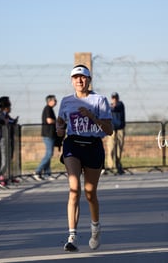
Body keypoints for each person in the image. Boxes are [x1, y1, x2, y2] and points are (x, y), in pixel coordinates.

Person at [56, 65, 113, 252]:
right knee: (74, 189)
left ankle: (95, 228)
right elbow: (61, 127)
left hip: (93, 146)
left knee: (90, 194)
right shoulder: (66, 102)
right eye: (75, 78)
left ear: (89, 80)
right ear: (71, 81)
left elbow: (109, 130)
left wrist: (91, 116)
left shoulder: (99, 100)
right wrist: (59, 129)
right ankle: (72, 236)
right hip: (72, 145)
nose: (79, 81)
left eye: (83, 77)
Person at [33, 95, 57, 181]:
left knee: (49, 154)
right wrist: (57, 121)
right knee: (49, 154)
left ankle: (47, 174)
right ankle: (37, 171)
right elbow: (49, 120)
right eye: (54, 100)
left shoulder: (50, 109)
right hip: (48, 134)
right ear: (49, 101)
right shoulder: (47, 108)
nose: (56, 101)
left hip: (51, 134)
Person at [0, 96, 18, 184]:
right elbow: (4, 122)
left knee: (9, 157)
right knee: (4, 158)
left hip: (9, 138)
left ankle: (8, 175)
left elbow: (10, 121)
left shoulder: (6, 115)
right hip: (3, 138)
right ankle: (1, 175)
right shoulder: (0, 115)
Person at [105, 92, 126, 174]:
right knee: (111, 147)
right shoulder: (109, 106)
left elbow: (115, 108)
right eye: (113, 98)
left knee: (119, 148)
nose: (114, 99)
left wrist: (111, 106)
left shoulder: (120, 104)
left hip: (120, 128)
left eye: (116, 98)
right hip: (112, 129)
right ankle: (110, 166)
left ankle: (118, 165)